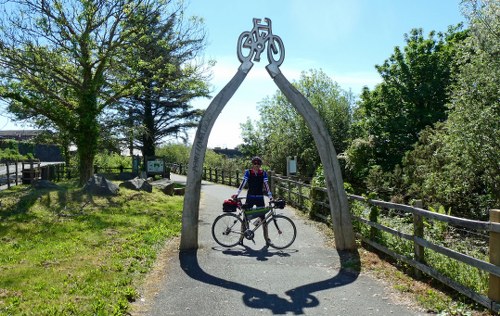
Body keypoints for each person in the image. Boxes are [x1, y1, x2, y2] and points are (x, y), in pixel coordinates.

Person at [233, 156, 273, 246]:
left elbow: (266, 185)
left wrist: (270, 196)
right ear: (252, 164)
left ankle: (267, 239)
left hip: (259, 197)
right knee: (245, 218)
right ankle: (241, 238)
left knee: (263, 219)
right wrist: (237, 193)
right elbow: (243, 183)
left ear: (260, 165)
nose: (256, 165)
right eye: (254, 163)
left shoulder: (263, 173)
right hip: (250, 197)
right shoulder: (248, 172)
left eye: (258, 164)